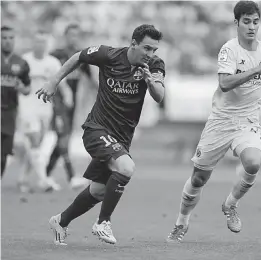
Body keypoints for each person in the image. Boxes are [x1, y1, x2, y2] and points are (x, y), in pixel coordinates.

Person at [166, 0, 261, 243]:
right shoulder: (229, 50)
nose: (252, 27)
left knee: (254, 162)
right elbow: (224, 84)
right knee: (198, 179)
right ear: (236, 23)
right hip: (221, 122)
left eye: (256, 22)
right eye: (246, 21)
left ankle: (230, 205)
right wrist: (257, 70)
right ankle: (181, 223)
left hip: (247, 121)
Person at [36, 24, 165, 245]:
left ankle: (60, 221)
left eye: (154, 49)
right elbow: (79, 56)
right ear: (133, 43)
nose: (150, 54)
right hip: (97, 129)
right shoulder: (109, 55)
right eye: (146, 48)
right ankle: (103, 222)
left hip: (122, 137)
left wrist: (150, 82)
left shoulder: (154, 65)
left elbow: (160, 96)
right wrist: (53, 81)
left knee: (98, 191)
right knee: (126, 168)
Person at [16, 29, 74, 191]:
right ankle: (44, 180)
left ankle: (23, 178)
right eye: (37, 41)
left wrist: (68, 95)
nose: (40, 45)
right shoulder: (24, 61)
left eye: (43, 42)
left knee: (36, 146)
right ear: (33, 42)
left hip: (45, 108)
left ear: (47, 44)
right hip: (27, 107)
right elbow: (16, 83)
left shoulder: (52, 62)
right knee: (34, 141)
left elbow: (61, 83)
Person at [47, 24, 95, 189]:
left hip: (71, 104)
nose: (73, 38)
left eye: (76, 35)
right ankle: (71, 176)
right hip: (57, 103)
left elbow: (92, 80)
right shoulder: (56, 55)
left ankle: (45, 174)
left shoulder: (82, 56)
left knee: (62, 140)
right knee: (63, 138)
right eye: (70, 35)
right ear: (65, 36)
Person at [1, 25, 31, 177]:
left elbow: (28, 89)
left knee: (4, 155)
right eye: (4, 38)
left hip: (10, 113)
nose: (7, 41)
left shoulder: (21, 63)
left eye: (10, 38)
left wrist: (21, 87)